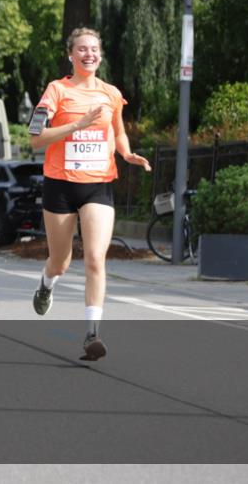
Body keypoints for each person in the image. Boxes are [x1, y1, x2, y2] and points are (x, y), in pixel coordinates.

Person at [29, 27, 152, 362]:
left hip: (98, 184)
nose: (89, 54)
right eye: (82, 49)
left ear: (100, 54)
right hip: (60, 185)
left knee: (96, 257)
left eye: (94, 49)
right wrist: (77, 125)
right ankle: (46, 283)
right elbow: (35, 138)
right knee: (61, 260)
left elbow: (118, 131)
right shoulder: (56, 90)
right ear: (70, 55)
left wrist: (126, 154)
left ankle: (92, 335)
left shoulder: (111, 93)